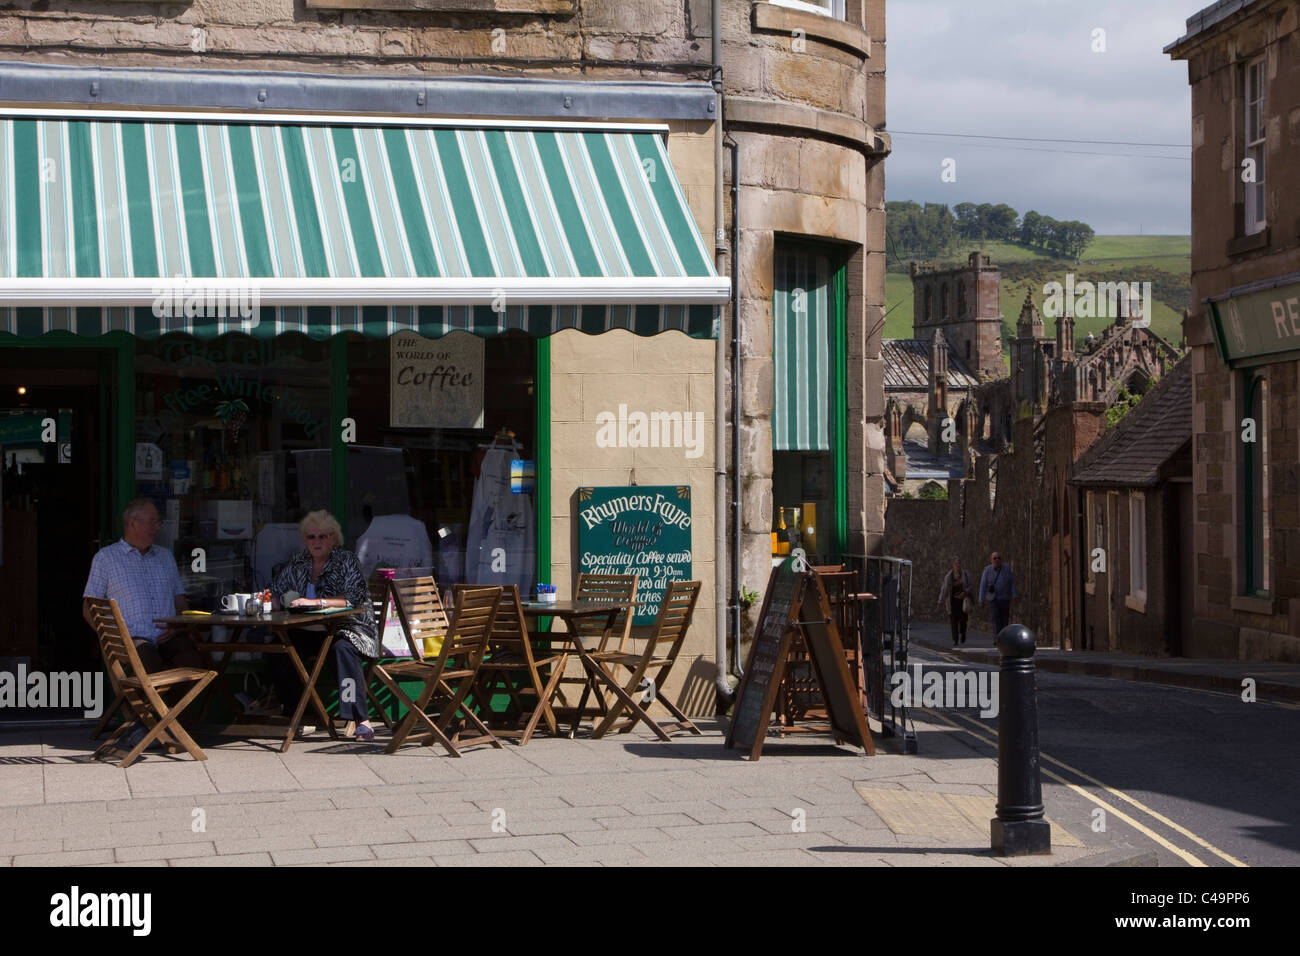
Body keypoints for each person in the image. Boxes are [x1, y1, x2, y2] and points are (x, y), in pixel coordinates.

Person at [82, 498, 204, 749]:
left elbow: (179, 600)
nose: (157, 527)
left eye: (157, 521)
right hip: (132, 640)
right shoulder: (106, 559)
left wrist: (179, 625)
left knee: (193, 660)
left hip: (167, 635)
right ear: (132, 523)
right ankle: (155, 726)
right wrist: (112, 638)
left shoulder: (165, 557)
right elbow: (88, 608)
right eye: (152, 521)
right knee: (146, 659)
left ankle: (163, 725)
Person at [269, 511, 378, 741]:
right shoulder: (298, 562)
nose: (316, 541)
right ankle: (297, 711)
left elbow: (354, 598)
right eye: (311, 537)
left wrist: (316, 602)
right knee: (278, 649)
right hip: (310, 629)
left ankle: (359, 718)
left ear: (333, 538)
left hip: (348, 627)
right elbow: (277, 590)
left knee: (343, 650)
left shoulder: (346, 560)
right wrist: (268, 601)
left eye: (322, 536)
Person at [977, 551, 1018, 644]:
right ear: (991, 560)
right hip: (993, 599)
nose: (997, 560)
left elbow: (1012, 582)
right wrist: (981, 599)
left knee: (1004, 620)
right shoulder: (987, 570)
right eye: (994, 558)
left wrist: (1014, 595)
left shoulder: (1006, 569)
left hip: (1005, 598)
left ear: (1001, 560)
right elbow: (983, 585)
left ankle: (1003, 638)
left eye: (998, 558)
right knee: (995, 619)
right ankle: (997, 638)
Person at [937, 557, 972, 646]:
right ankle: (955, 640)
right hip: (952, 602)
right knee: (953, 621)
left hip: (963, 602)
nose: (957, 565)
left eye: (959, 563)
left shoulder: (966, 575)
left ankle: (963, 633)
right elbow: (944, 589)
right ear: (953, 565)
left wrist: (965, 593)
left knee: (964, 621)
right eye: (956, 564)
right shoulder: (948, 577)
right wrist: (940, 601)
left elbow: (971, 587)